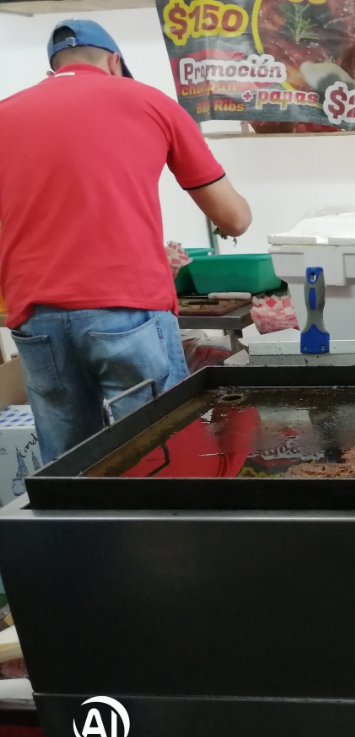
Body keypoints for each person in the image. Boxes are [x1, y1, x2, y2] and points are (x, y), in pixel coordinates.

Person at [0, 20, 251, 463]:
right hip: (128, 309)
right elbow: (234, 220)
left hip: (36, 315)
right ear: (115, 61)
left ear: (53, 67)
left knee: (69, 467)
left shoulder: (5, 113)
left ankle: (75, 534)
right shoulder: (151, 102)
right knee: (159, 453)